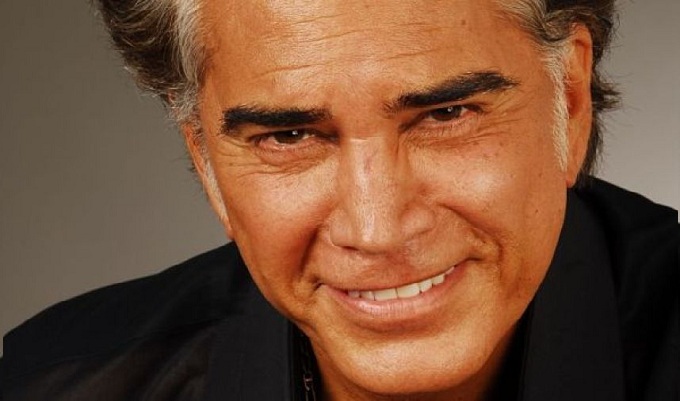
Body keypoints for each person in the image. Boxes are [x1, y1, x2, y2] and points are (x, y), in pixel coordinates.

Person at [1, 0, 677, 400]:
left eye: (445, 115)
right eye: (289, 135)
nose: (377, 229)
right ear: (205, 159)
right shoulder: (50, 383)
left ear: (570, 100)